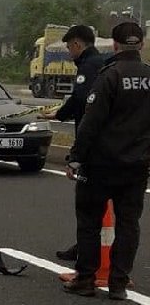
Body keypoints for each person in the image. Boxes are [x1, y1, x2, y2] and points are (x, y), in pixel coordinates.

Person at [61, 21, 150, 301]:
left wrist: (75, 158)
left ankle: (86, 279)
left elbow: (91, 122)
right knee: (128, 224)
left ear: (114, 44)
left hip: (101, 163)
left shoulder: (109, 75)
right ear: (142, 44)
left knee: (89, 221)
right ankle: (119, 283)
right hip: (137, 165)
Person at [45, 25, 106, 261]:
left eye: (70, 48)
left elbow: (81, 98)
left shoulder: (88, 66)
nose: (69, 53)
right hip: (114, 144)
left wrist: (60, 114)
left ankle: (85, 254)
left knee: (88, 203)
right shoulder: (104, 63)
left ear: (78, 45)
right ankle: (94, 249)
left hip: (91, 143)